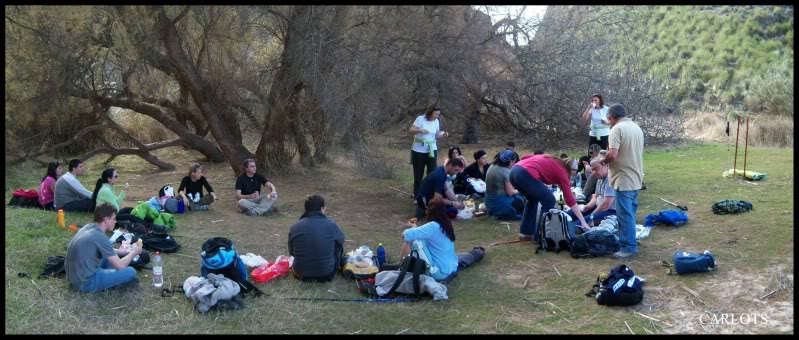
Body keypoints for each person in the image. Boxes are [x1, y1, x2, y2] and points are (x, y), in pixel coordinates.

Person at [509, 154, 591, 241]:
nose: (571, 177)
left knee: (532, 199)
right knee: (549, 200)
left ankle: (525, 233)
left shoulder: (551, 159)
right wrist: (583, 221)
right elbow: (570, 200)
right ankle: (540, 235)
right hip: (525, 173)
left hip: (514, 171)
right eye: (572, 174)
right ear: (569, 169)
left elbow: (525, 157)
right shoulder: (563, 172)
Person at [65, 203, 142, 293]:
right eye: (113, 219)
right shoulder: (100, 237)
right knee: (130, 271)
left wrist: (125, 252)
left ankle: (113, 277)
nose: (115, 221)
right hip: (84, 282)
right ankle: (115, 280)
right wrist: (134, 252)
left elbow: (107, 250)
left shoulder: (88, 227)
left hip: (75, 277)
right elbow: (120, 266)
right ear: (106, 219)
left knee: (111, 260)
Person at [600, 104, 644, 259]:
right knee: (630, 211)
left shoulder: (616, 130)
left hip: (623, 178)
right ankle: (630, 240)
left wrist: (603, 161)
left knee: (624, 214)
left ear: (611, 117)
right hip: (635, 175)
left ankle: (628, 247)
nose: (609, 122)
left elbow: (612, 154)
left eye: (609, 119)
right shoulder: (635, 127)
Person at [399, 197, 458, 282]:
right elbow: (424, 233)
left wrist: (412, 230)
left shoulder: (432, 226)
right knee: (418, 238)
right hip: (452, 267)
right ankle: (401, 266)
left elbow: (405, 235)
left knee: (411, 241)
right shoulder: (446, 224)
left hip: (440, 272)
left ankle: (400, 267)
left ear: (429, 211)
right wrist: (414, 228)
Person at [288, 195, 346, 282]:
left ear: (306, 209)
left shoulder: (295, 226)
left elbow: (292, 252)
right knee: (338, 245)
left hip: (300, 274)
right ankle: (327, 265)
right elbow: (341, 241)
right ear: (322, 209)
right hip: (326, 275)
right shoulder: (331, 225)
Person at [409, 107, 449, 197]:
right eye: (435, 114)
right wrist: (419, 130)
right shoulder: (420, 119)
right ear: (430, 113)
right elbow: (410, 131)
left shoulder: (436, 121)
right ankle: (417, 195)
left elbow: (437, 135)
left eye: (438, 114)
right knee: (418, 173)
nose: (437, 116)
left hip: (432, 149)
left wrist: (443, 134)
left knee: (432, 172)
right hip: (418, 150)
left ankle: (429, 194)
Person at [569, 159, 615, 226]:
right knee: (574, 212)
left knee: (582, 222)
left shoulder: (610, 180)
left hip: (610, 212)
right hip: (598, 207)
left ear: (605, 166)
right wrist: (588, 206)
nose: (593, 172)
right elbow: (595, 197)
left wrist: (592, 214)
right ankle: (561, 221)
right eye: (592, 169)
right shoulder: (600, 179)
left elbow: (606, 204)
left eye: (596, 169)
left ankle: (569, 229)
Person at [484, 150, 525, 220]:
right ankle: (503, 214)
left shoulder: (492, 166)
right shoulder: (505, 171)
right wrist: (520, 189)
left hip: (488, 202)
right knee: (521, 201)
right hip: (499, 203)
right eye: (513, 161)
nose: (513, 163)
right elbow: (510, 193)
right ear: (510, 161)